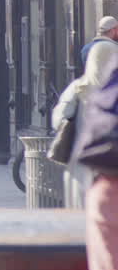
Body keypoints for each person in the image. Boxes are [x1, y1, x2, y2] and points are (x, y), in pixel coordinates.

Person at [57, 16, 118, 210]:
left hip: (82, 164)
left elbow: (58, 119)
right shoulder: (112, 94)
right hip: (109, 172)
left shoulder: (77, 87)